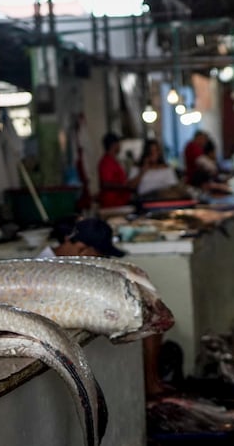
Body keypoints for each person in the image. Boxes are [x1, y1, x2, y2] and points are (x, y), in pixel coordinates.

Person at [38, 218, 171, 399]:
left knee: (150, 317)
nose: (101, 261)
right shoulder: (41, 270)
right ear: (82, 249)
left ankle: (151, 382)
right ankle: (150, 384)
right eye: (100, 256)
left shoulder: (71, 264)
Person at [96, 132, 135, 209]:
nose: (120, 146)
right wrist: (125, 186)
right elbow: (105, 184)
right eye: (118, 143)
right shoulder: (106, 162)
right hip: (112, 205)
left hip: (119, 204)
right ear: (114, 144)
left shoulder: (113, 161)